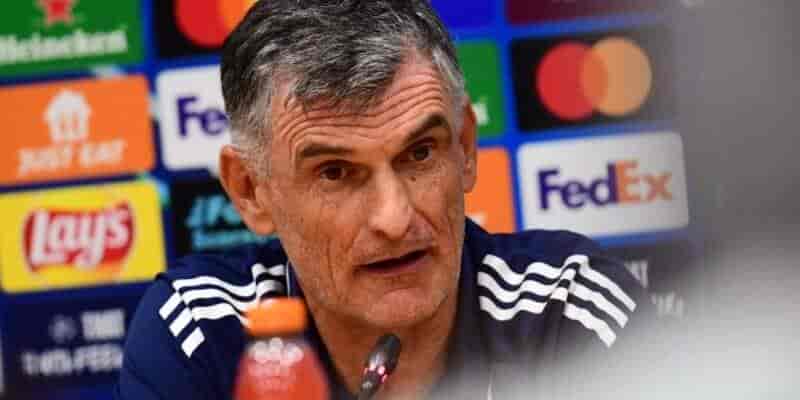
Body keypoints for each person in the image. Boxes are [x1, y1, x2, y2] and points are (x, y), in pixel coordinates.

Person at [116, 1, 650, 399]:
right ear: (251, 191)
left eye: (419, 154)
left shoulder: (569, 312)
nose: (394, 219)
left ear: (465, 148)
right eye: (335, 172)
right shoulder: (202, 334)